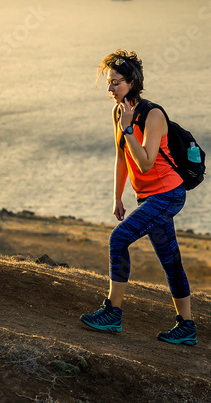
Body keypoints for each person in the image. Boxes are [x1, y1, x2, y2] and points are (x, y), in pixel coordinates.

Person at [80, 50, 197, 345]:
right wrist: (117, 197)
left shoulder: (154, 114)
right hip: (148, 197)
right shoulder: (118, 112)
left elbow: (145, 161)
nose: (110, 89)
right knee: (170, 260)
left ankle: (112, 313)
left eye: (116, 82)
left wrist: (130, 127)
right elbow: (122, 156)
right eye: (109, 82)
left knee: (118, 239)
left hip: (169, 194)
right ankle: (187, 327)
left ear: (132, 82)